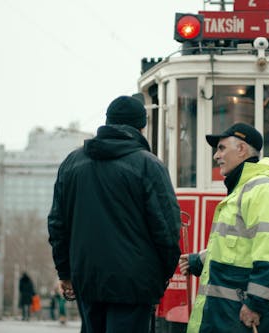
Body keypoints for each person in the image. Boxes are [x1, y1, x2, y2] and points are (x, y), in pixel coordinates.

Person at [48, 95, 181, 333]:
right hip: (135, 283)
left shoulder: (72, 164)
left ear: (107, 122)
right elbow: (168, 230)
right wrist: (161, 275)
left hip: (87, 279)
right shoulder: (149, 166)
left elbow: (58, 224)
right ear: (142, 127)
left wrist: (65, 272)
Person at [179, 123, 269, 333]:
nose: (216, 156)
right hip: (227, 319)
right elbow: (236, 248)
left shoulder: (265, 191)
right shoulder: (244, 190)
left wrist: (255, 304)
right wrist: (199, 261)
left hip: (239, 320)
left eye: (222, 148)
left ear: (241, 149)